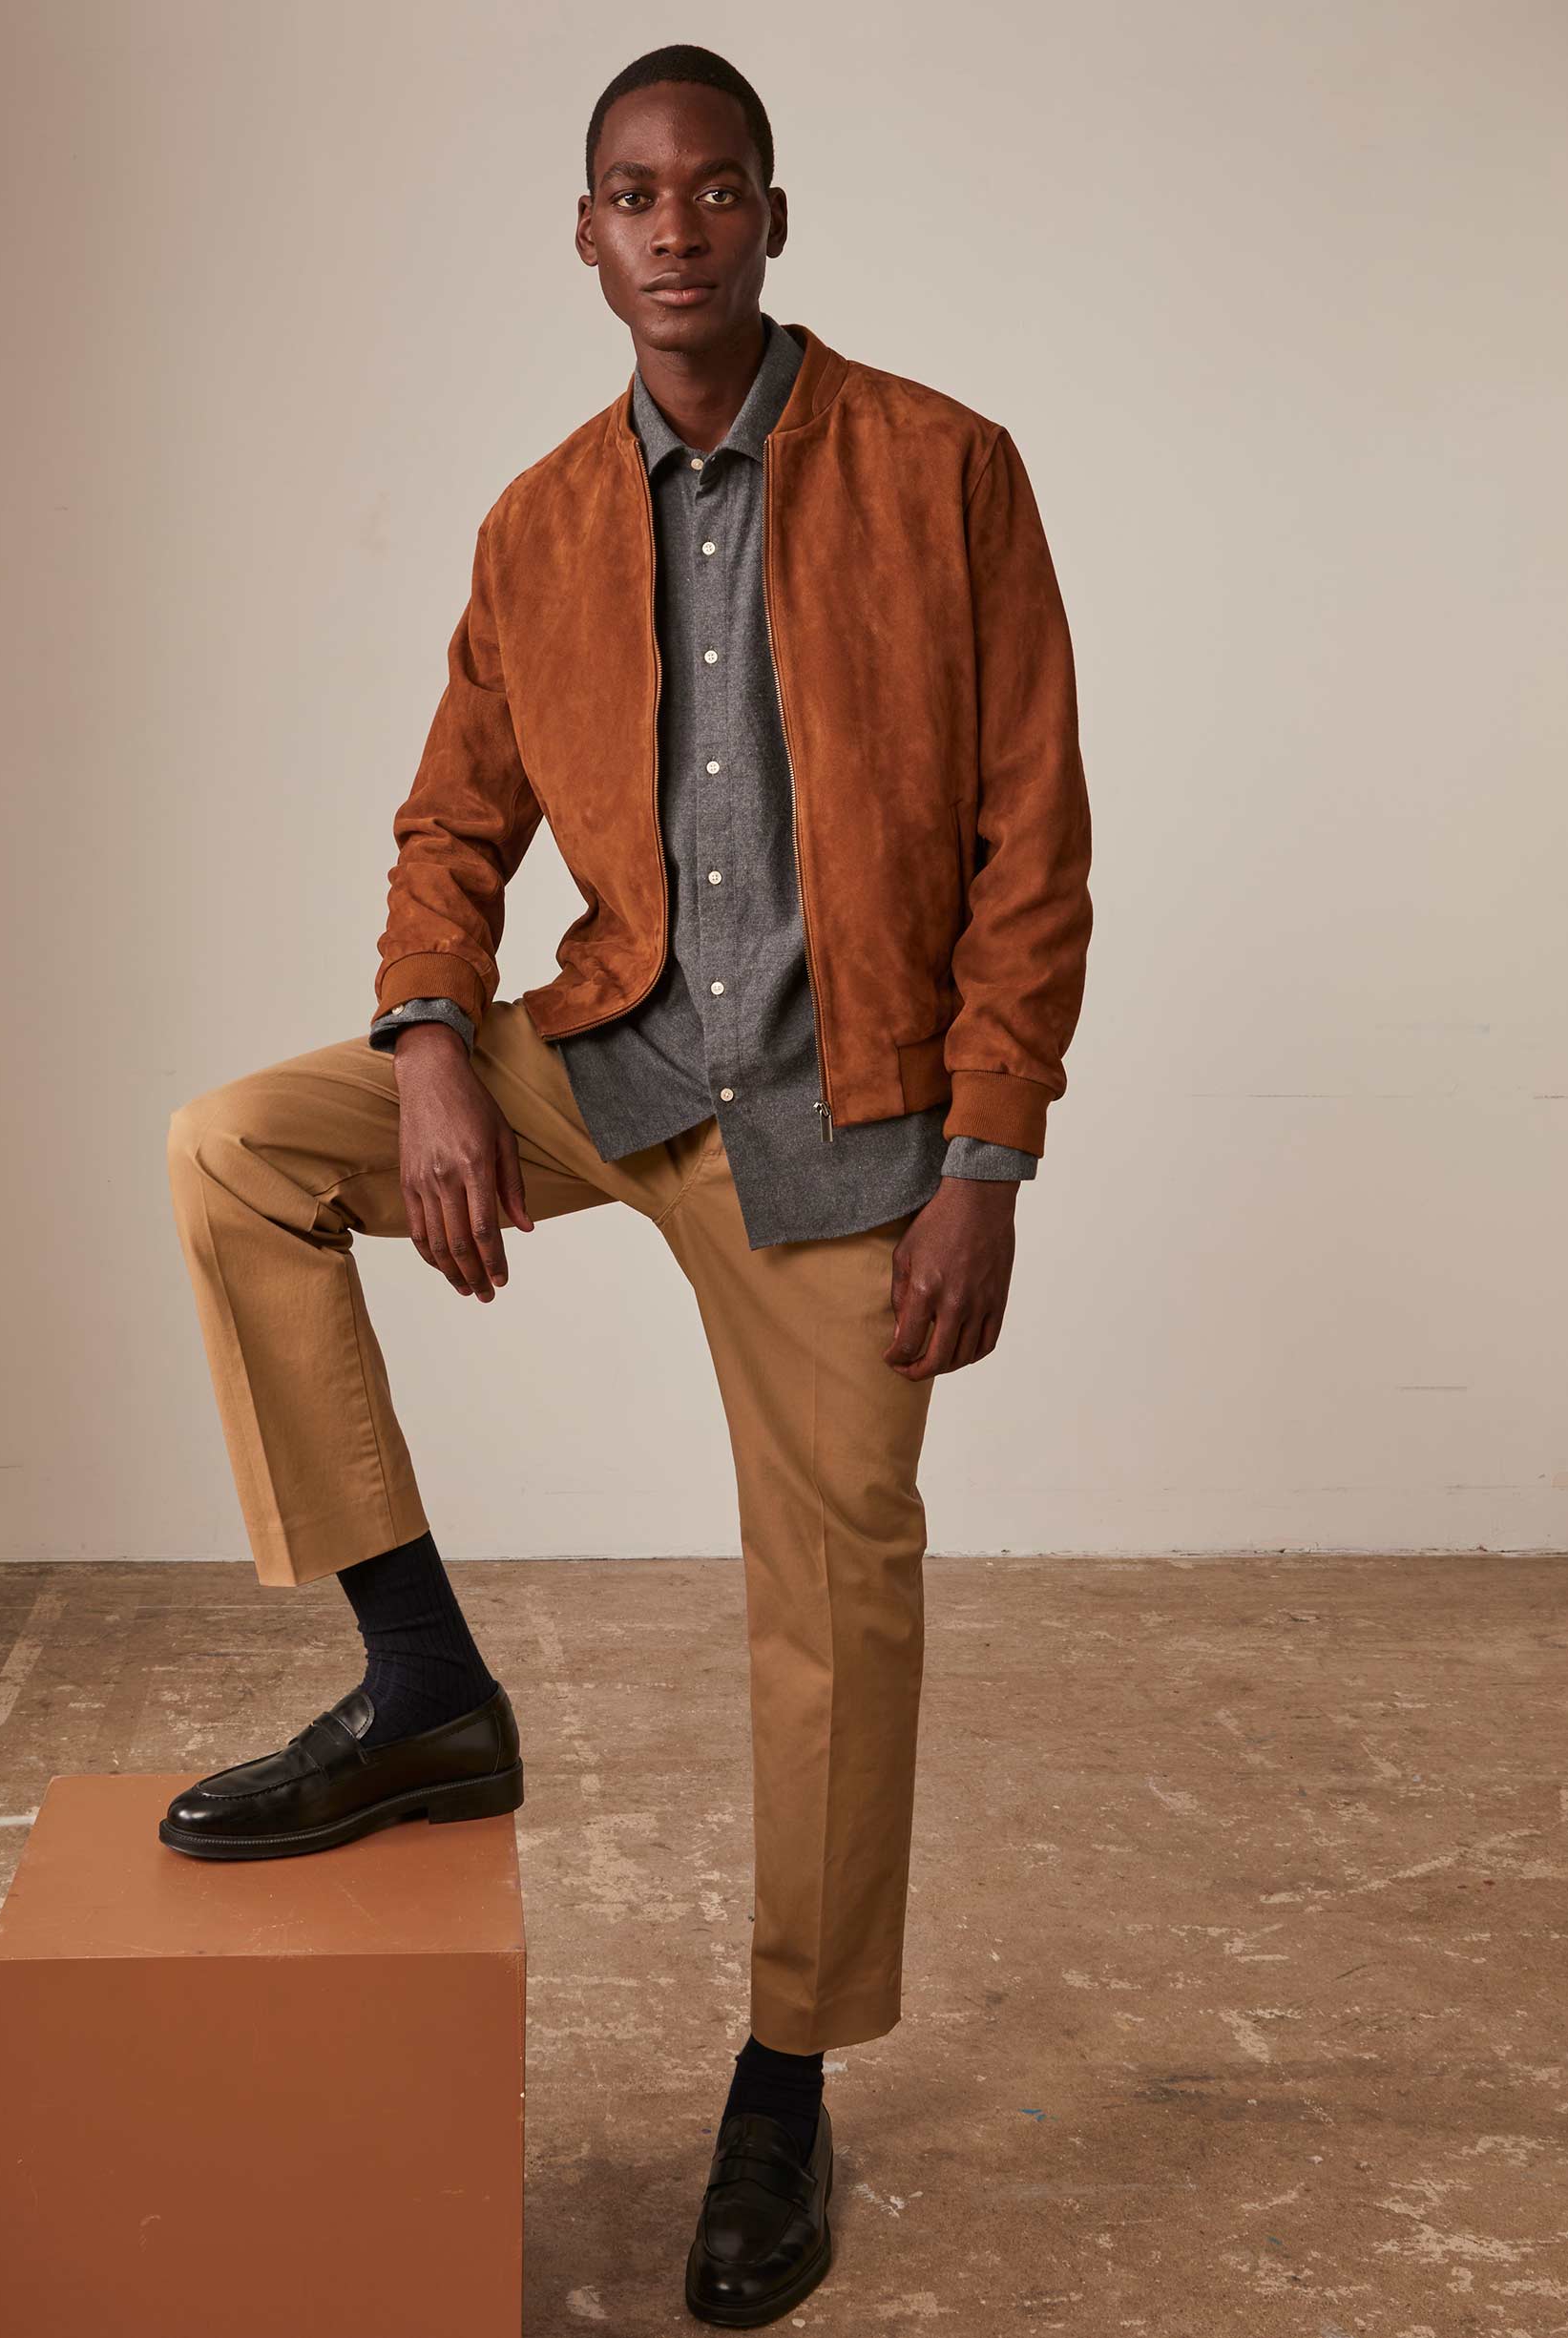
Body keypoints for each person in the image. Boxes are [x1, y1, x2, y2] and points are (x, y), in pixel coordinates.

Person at [159, 41, 1092, 2328]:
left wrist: (986, 1156)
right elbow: (449, 822)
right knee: (237, 1151)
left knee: (838, 1595)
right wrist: (431, 1050)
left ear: (773, 215)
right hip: (614, 1059)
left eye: (715, 188)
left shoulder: (946, 471)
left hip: (852, 1120)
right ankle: (422, 1683)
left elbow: (1031, 841)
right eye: (634, 194)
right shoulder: (538, 524)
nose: (676, 228)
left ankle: (784, 2078)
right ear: (584, 237)